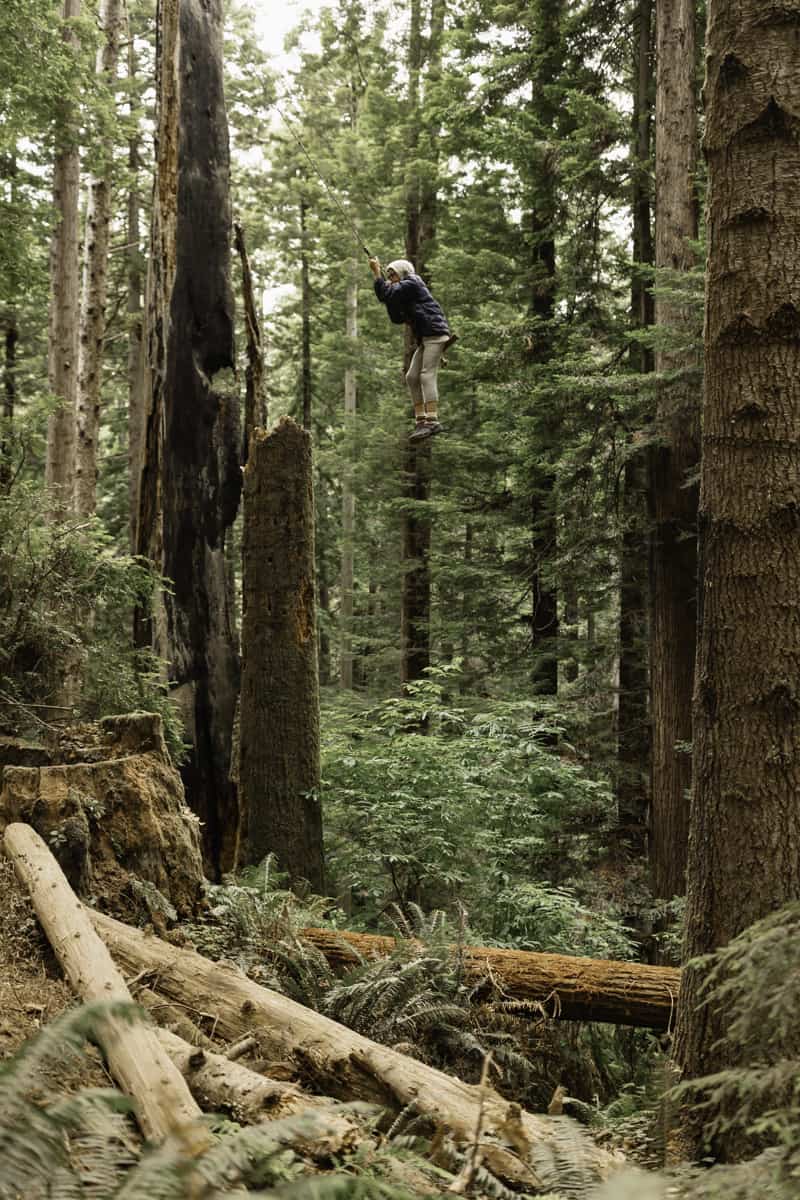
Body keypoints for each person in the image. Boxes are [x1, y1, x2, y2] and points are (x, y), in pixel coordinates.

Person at [369, 256, 456, 441]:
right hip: (426, 337)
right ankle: (421, 421)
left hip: (435, 333)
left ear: (402, 273)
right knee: (411, 377)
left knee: (426, 374)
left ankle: (432, 421)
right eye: (389, 275)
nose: (391, 278)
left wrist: (377, 273)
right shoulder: (404, 291)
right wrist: (388, 295)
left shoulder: (413, 282)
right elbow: (396, 317)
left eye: (393, 275)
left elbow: (386, 294)